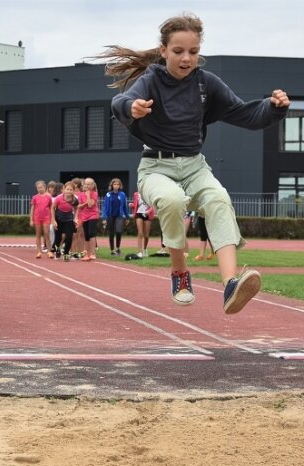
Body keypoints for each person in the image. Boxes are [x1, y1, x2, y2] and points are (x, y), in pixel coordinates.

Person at [101, 13, 290, 313]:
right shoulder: (151, 80)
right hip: (156, 167)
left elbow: (244, 114)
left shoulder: (207, 84)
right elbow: (119, 103)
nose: (186, 58)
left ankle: (230, 285)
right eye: (178, 51)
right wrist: (132, 106)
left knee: (218, 199)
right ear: (164, 51)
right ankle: (180, 274)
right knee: (173, 201)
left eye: (194, 52)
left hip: (194, 167)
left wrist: (273, 108)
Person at [50, 181, 80, 261]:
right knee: (58, 239)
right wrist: (53, 220)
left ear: (73, 191)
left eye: (71, 190)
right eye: (67, 189)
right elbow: (52, 208)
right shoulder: (59, 198)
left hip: (69, 220)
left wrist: (75, 218)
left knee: (69, 237)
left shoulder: (75, 200)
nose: (69, 191)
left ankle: (66, 254)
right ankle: (57, 251)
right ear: (64, 190)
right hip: (58, 219)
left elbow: (77, 208)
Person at [102, 178, 130, 256]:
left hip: (119, 216)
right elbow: (104, 207)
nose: (116, 186)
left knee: (118, 231)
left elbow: (124, 207)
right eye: (115, 184)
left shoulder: (122, 194)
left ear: (120, 186)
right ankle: (112, 250)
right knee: (111, 233)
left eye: (118, 184)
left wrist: (127, 217)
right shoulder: (108, 195)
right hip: (110, 216)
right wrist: (104, 218)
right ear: (112, 185)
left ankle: (117, 248)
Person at [29, 180, 53, 259]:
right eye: (38, 188)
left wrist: (52, 218)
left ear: (45, 187)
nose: (39, 189)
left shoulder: (48, 197)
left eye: (41, 187)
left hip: (46, 218)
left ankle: (49, 251)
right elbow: (32, 209)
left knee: (47, 233)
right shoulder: (35, 197)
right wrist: (31, 220)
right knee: (38, 234)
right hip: (37, 218)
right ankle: (39, 251)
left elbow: (51, 208)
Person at [131, 191, 154, 258]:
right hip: (139, 213)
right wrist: (132, 205)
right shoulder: (136, 194)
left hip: (147, 214)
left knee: (146, 235)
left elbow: (153, 205)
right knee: (140, 232)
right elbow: (136, 204)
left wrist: (148, 211)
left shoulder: (150, 193)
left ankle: (144, 249)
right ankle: (139, 252)